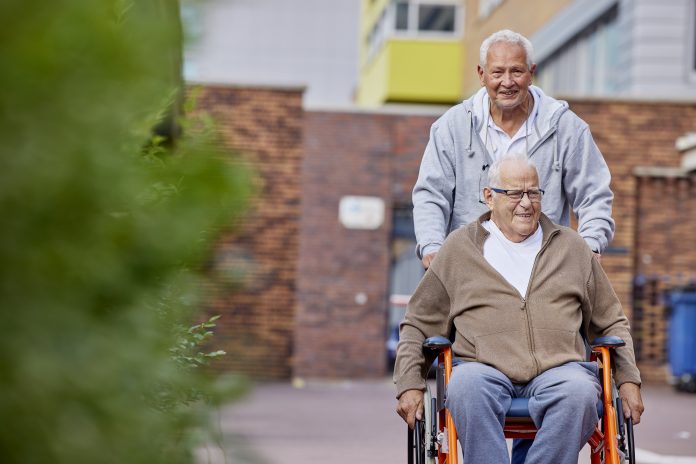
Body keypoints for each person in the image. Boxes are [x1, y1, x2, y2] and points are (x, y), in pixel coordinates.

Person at [395, 154, 644, 464]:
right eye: (514, 193)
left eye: (534, 193)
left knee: (580, 393)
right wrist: (409, 383)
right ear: (489, 197)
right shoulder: (459, 249)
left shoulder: (571, 247)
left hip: (559, 370)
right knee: (465, 388)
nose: (526, 203)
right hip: (482, 369)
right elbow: (418, 323)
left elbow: (611, 323)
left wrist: (629, 380)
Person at [413, 29, 614, 270]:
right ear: (482, 74)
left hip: (544, 272)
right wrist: (432, 246)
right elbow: (431, 194)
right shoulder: (452, 127)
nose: (507, 82)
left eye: (516, 71)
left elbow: (594, 195)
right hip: (470, 270)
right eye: (497, 72)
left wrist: (590, 245)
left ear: (531, 73)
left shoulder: (566, 128)